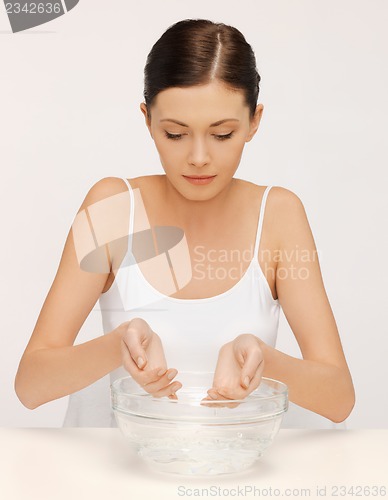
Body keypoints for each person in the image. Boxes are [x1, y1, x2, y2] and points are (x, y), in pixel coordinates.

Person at [14, 18, 355, 428]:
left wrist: (267, 360)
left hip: (239, 476)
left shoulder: (279, 215)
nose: (197, 157)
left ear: (254, 121)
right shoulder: (112, 208)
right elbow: (30, 387)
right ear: (147, 120)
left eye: (222, 134)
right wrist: (115, 347)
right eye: (175, 134)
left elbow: (339, 400)